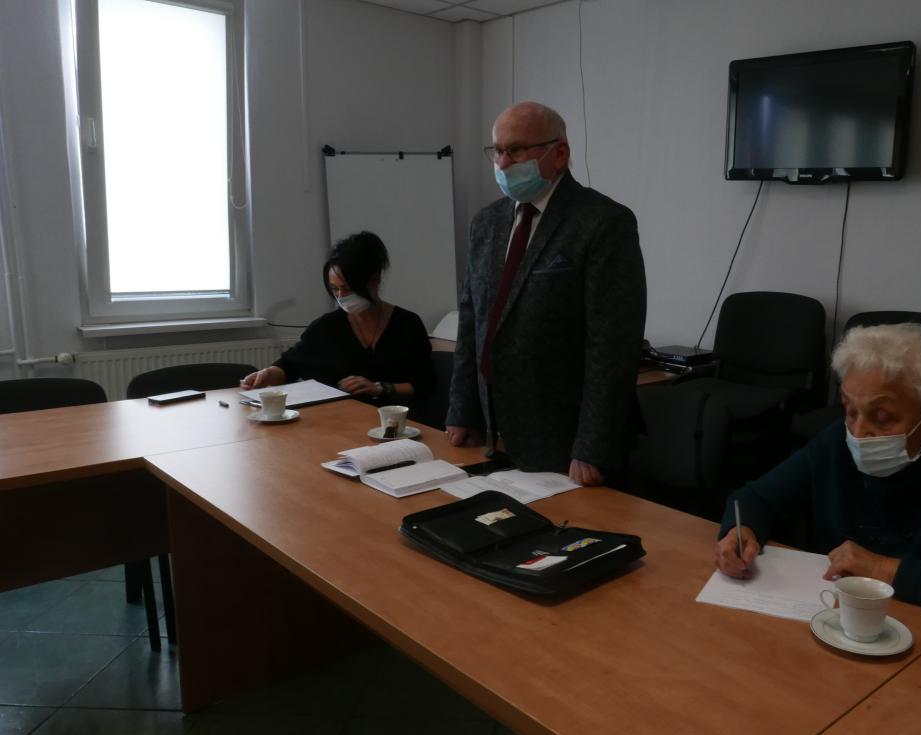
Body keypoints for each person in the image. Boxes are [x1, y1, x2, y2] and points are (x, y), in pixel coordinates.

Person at [713, 323, 921, 630]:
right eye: (850, 411)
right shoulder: (835, 443)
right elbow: (756, 498)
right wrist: (740, 532)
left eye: (883, 417)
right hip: (838, 626)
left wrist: (882, 569)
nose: (859, 432)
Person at [446, 101, 647, 486]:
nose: (503, 163)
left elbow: (613, 346)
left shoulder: (603, 222)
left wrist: (592, 446)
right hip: (495, 430)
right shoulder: (486, 223)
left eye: (516, 150)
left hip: (569, 438)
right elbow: (473, 322)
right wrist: (462, 409)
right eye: (497, 150)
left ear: (560, 153)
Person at [241, 231, 434, 406]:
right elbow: (290, 365)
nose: (341, 296)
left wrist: (380, 388)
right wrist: (267, 374)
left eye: (348, 289)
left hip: (395, 422)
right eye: (335, 289)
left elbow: (426, 384)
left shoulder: (408, 325)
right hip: (341, 420)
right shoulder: (326, 328)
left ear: (374, 280)